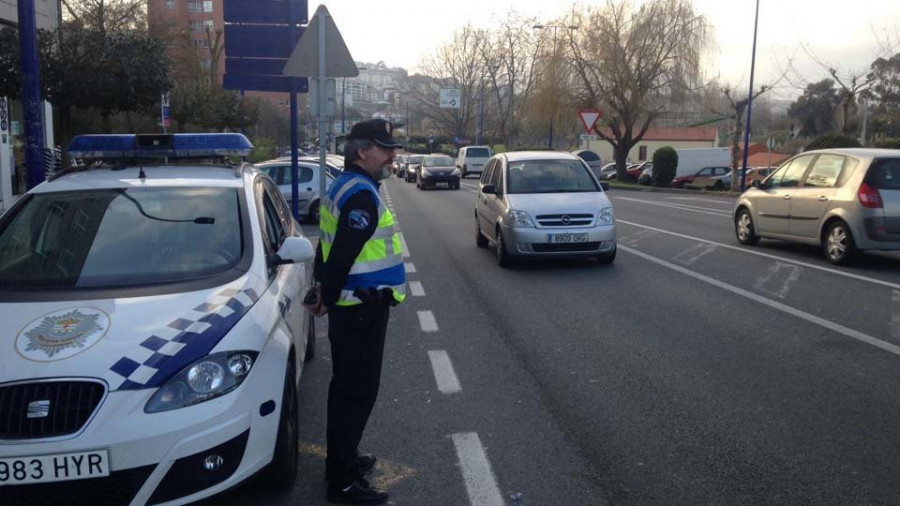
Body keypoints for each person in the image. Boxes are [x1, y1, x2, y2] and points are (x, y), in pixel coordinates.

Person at [304, 119, 406, 505]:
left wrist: (319, 285)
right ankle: (342, 480)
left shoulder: (343, 185)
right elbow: (343, 253)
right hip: (361, 310)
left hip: (355, 309)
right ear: (363, 151)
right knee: (355, 394)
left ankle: (345, 458)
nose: (392, 154)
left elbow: (325, 245)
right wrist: (326, 297)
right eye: (385, 147)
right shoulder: (361, 195)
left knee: (347, 391)